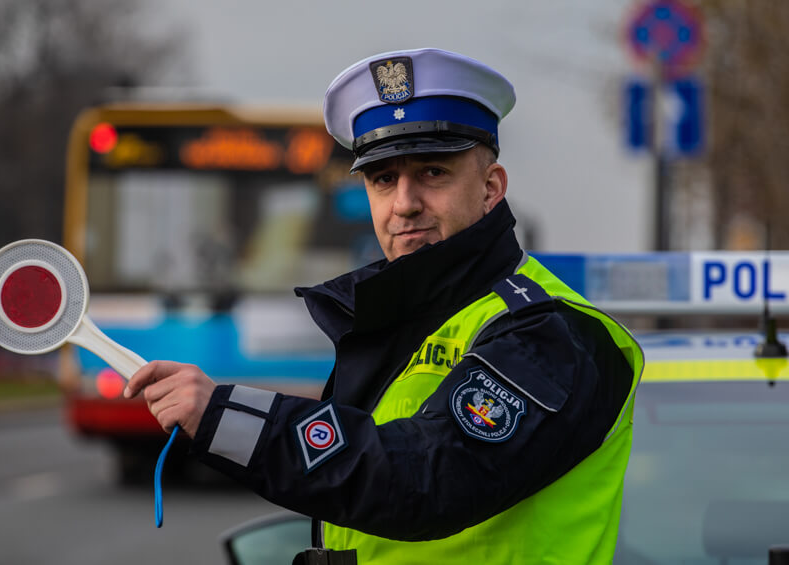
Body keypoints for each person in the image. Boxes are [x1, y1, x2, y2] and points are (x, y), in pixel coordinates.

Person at [125, 47, 643, 564]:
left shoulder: (550, 331)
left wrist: (227, 416)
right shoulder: (406, 318)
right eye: (382, 179)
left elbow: (426, 477)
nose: (404, 204)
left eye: (433, 173)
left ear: (491, 189)